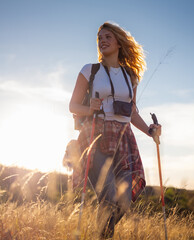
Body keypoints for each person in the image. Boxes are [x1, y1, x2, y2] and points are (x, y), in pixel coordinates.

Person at [69, 22, 161, 239]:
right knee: (109, 194)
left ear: (119, 42)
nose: (102, 41)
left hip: (123, 138)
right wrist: (89, 108)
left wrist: (150, 131)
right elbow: (73, 106)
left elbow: (132, 113)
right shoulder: (90, 71)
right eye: (99, 38)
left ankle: (101, 235)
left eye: (108, 37)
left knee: (124, 199)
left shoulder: (131, 76)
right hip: (96, 135)